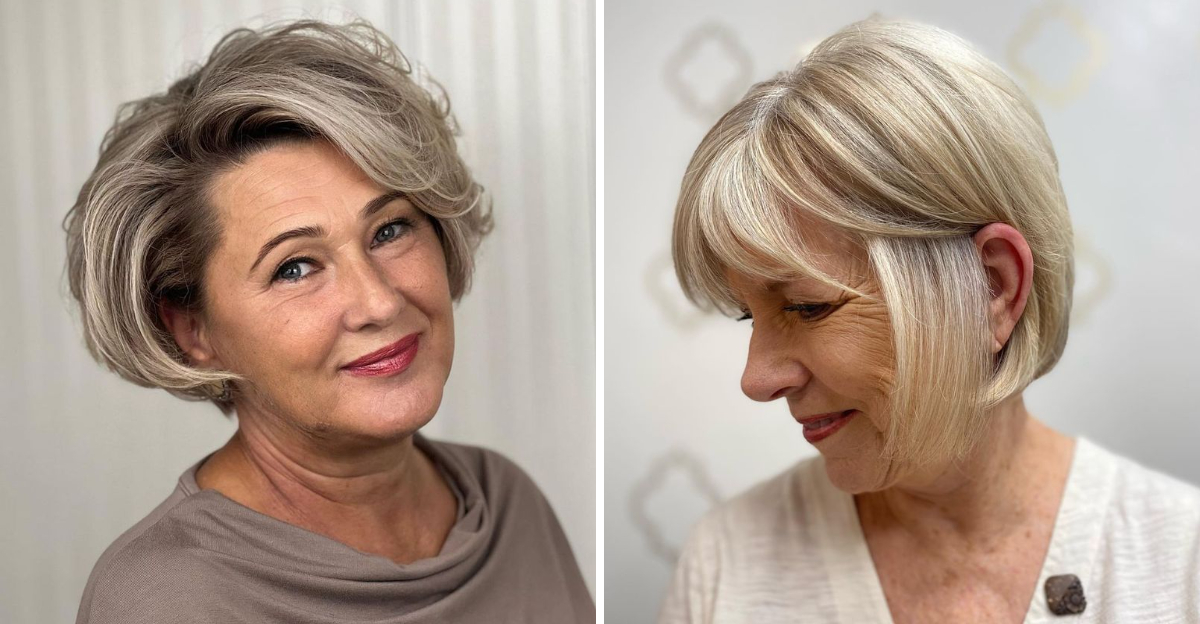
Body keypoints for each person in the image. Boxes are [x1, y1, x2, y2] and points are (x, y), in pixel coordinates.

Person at [661, 18, 1200, 624]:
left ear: (992, 287)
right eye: (747, 316)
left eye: (807, 306)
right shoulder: (728, 568)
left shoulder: (1180, 562)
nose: (756, 378)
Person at [65, 19, 593, 623]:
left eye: (390, 230)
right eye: (295, 268)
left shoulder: (507, 503)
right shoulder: (164, 598)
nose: (379, 303)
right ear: (195, 332)